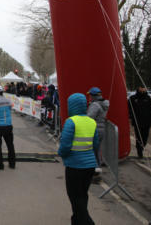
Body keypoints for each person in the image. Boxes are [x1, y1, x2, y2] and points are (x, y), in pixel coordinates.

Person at [58, 93, 99, 225]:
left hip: (75, 166)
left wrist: (61, 154)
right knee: (83, 195)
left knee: (75, 198)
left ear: (72, 105)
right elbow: (96, 145)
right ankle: (76, 221)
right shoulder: (92, 122)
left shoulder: (71, 121)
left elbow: (65, 145)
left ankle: (88, 222)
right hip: (89, 166)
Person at [128, 86, 151, 159]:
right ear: (138, 88)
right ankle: (139, 152)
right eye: (141, 87)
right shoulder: (133, 98)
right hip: (137, 122)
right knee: (139, 137)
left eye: (144, 88)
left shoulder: (149, 98)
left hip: (147, 122)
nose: (143, 89)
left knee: (145, 138)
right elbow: (129, 108)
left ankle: (142, 147)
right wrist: (131, 116)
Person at [87, 87, 109, 172]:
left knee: (93, 149)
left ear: (94, 96)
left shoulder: (95, 105)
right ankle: (98, 165)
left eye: (90, 95)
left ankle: (95, 168)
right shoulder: (104, 104)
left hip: (94, 129)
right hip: (101, 128)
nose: (89, 97)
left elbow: (89, 117)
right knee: (97, 148)